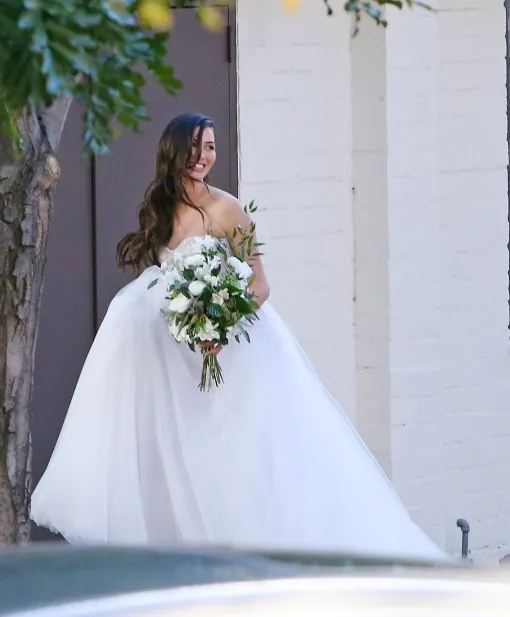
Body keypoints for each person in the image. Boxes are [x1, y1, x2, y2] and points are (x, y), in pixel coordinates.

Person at [30, 112, 447, 562]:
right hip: (174, 356)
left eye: (210, 147)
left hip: (227, 351)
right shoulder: (163, 207)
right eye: (194, 147)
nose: (202, 157)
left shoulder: (227, 209)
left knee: (237, 455)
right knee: (174, 454)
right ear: (174, 152)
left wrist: (221, 324)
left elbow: (260, 284)